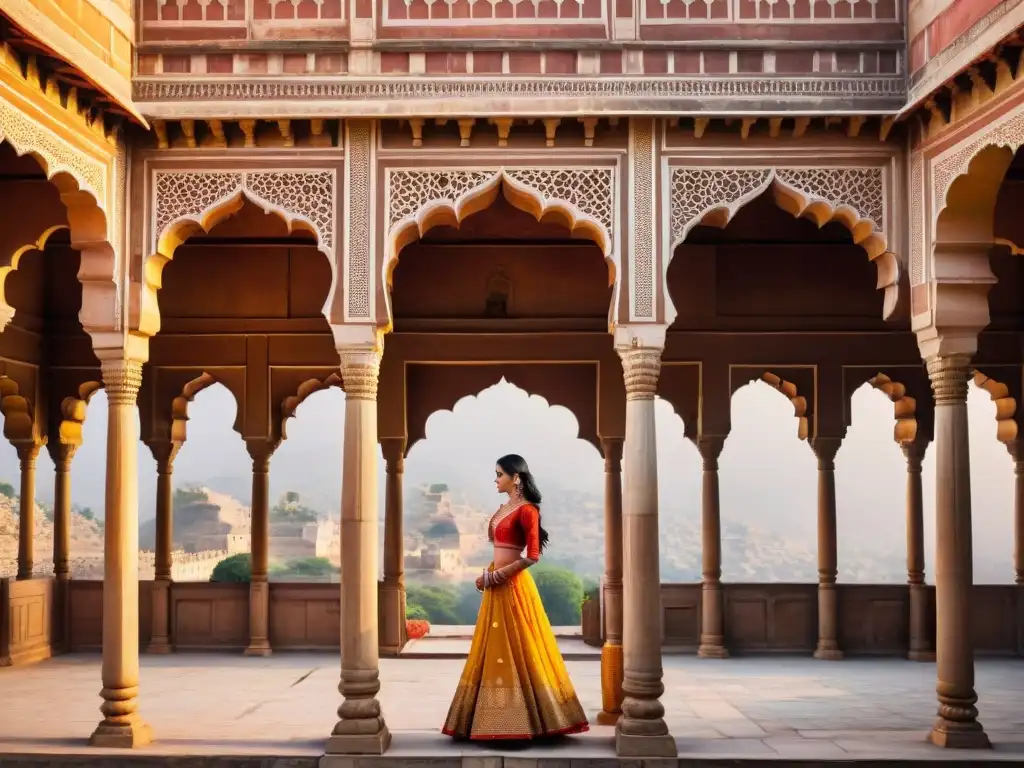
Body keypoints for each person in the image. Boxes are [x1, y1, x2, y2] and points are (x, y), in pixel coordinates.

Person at [442, 454, 590, 741]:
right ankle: (489, 719)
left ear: (516, 477)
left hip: (512, 586)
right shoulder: (504, 508)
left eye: (499, 474)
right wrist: (488, 575)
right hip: (495, 583)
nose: (495, 479)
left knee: (522, 650)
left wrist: (494, 577)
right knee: (492, 650)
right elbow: (499, 549)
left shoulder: (527, 511)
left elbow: (532, 556)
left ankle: (526, 722)